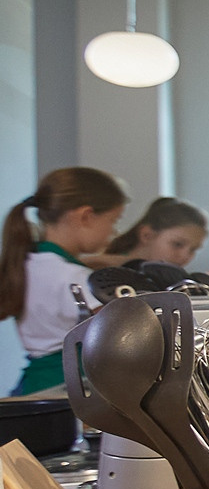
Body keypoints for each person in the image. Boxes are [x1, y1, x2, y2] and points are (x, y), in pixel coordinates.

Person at [2, 166, 129, 394]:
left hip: (33, 387)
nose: (114, 232)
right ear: (86, 216)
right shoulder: (79, 279)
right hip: (71, 391)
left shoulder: (25, 263)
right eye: (113, 220)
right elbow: (122, 338)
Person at [94, 197, 208, 268]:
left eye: (193, 249)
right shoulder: (104, 269)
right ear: (147, 235)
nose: (185, 256)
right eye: (177, 244)